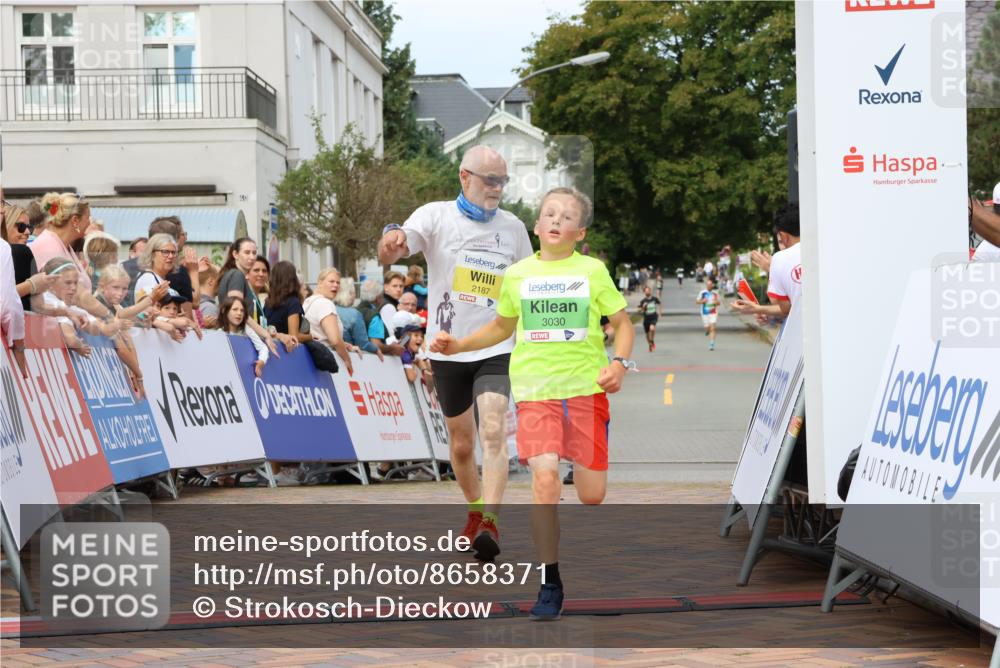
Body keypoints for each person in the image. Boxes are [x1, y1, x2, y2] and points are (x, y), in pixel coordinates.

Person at [430, 186, 635, 619]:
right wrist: (459, 345)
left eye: (566, 216)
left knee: (592, 494)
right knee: (543, 481)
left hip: (585, 392)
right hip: (536, 393)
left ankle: (586, 455)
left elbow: (621, 322)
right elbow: (501, 327)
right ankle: (550, 582)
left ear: (579, 232)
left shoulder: (592, 271)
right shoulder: (518, 274)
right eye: (549, 213)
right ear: (537, 226)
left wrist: (618, 364)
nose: (556, 220)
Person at [378, 145, 534, 560]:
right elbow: (393, 248)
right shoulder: (435, 215)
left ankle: (492, 523)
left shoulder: (514, 227)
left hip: (496, 346)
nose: (497, 188)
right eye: (490, 180)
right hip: (447, 348)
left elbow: (528, 284)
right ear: (465, 177)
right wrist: (390, 241)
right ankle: (474, 509)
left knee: (495, 432)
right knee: (462, 445)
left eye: (503, 181)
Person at [30, 192, 108, 319]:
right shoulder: (49, 245)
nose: (90, 222)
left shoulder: (64, 246)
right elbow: (76, 294)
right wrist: (110, 316)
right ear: (75, 220)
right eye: (88, 217)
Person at [217, 237, 288, 354]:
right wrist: (264, 334)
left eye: (254, 253)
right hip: (236, 339)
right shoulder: (237, 275)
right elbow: (236, 310)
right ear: (235, 254)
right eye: (247, 252)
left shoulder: (234, 274)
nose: (251, 257)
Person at [732, 203, 801, 320]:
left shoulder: (780, 259)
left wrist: (773, 271)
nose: (782, 246)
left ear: (784, 236)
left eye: (780, 240)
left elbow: (784, 307)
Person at [303, 267, 356, 376]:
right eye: (331, 281)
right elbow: (335, 340)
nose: (336, 285)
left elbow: (318, 333)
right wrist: (347, 359)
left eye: (338, 282)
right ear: (320, 283)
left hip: (309, 359)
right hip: (324, 363)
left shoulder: (307, 301)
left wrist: (343, 344)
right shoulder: (325, 304)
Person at [219, 296, 269, 377]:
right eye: (235, 309)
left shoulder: (247, 330)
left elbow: (263, 348)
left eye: (242, 310)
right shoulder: (219, 334)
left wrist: (261, 361)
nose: (239, 313)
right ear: (224, 311)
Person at [264, 260, 312, 343]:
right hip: (288, 351)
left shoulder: (268, 303)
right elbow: (293, 336)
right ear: (292, 279)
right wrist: (310, 337)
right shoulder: (293, 302)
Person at [335, 278, 382, 355]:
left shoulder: (330, 308)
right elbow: (362, 344)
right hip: (350, 356)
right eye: (354, 292)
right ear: (349, 294)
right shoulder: (355, 314)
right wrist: (376, 349)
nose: (355, 295)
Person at [696, 277, 721, 351]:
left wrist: (716, 302)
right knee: (707, 328)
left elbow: (718, 303)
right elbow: (697, 301)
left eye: (710, 285)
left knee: (713, 328)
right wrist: (703, 301)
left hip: (713, 312)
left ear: (712, 285)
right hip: (705, 313)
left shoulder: (715, 293)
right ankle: (707, 330)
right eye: (708, 284)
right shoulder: (702, 293)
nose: (709, 286)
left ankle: (712, 343)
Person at [638, 286, 662, 352]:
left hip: (653, 316)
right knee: (647, 334)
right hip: (646, 318)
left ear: (650, 291)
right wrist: (643, 307)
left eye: (648, 291)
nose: (647, 292)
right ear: (644, 292)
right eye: (645, 291)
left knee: (652, 328)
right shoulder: (643, 301)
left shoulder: (654, 299)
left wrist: (660, 313)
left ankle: (651, 341)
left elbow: (660, 304)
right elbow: (639, 310)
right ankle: (650, 345)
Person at [197, 264, 220, 328]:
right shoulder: (210, 308)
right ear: (211, 281)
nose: (223, 284)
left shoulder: (193, 304)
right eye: (221, 280)